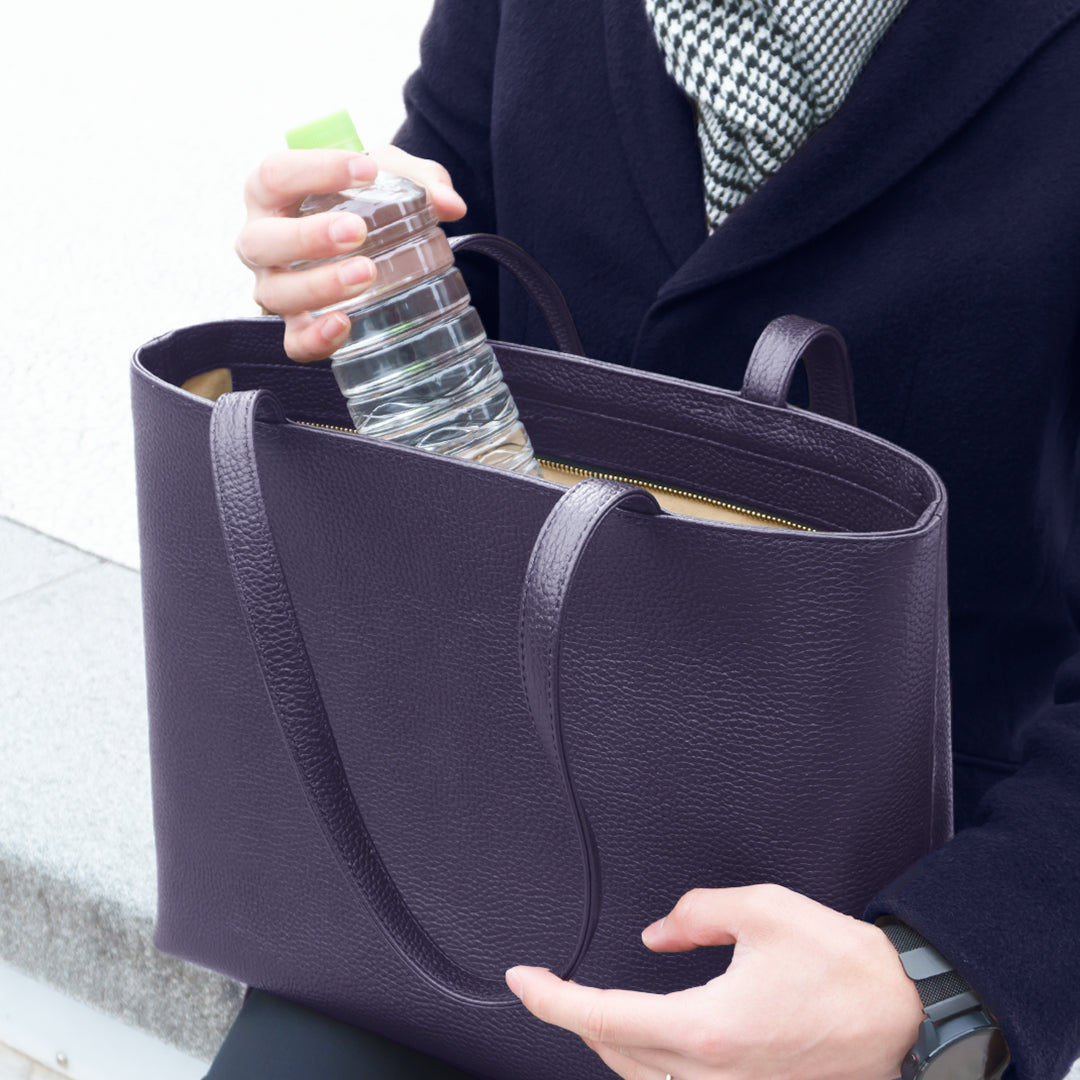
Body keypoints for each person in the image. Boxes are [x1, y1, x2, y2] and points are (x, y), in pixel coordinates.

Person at [218, 0, 1080, 1077]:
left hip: (879, 908)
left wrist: (938, 982)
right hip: (482, 828)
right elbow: (464, 302)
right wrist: (347, 280)